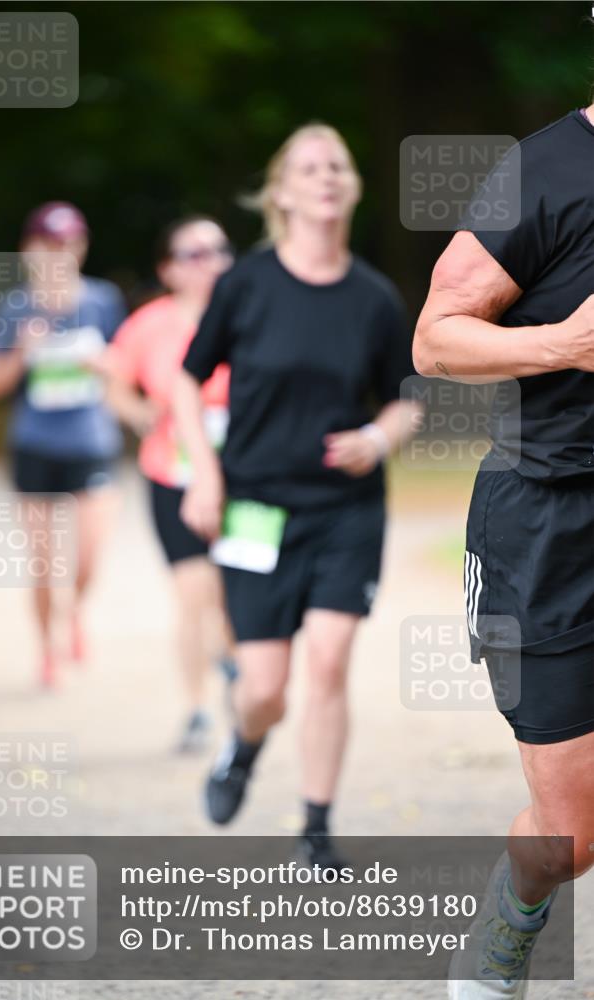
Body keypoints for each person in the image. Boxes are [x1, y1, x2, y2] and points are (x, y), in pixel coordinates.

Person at [173, 124, 420, 867]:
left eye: (337, 166)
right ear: (280, 192)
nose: (325, 177)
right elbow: (187, 378)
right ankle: (243, 745)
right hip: (254, 503)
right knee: (265, 687)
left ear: (352, 185)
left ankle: (315, 826)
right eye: (308, 168)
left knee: (329, 660)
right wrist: (206, 474)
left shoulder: (374, 298)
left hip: (346, 508)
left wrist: (376, 440)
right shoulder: (244, 283)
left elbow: (405, 398)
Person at [413, 105, 594, 997]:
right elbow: (435, 336)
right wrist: (565, 344)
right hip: (549, 526)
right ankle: (507, 925)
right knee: (570, 833)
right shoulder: (545, 170)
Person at [0, 201, 126, 688]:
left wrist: (105, 366)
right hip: (36, 446)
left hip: (92, 444)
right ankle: (46, 650)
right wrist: (22, 352)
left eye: (68, 244)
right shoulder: (15, 307)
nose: (58, 254)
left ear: (81, 248)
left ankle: (75, 611)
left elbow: (130, 366)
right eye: (48, 244)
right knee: (43, 564)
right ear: (28, 250)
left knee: (86, 557)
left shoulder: (102, 301)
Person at [106, 216, 238, 752]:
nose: (210, 262)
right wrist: (140, 414)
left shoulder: (247, 316)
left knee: (231, 594)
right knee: (192, 591)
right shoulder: (148, 325)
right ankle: (196, 709)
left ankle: (234, 667)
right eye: (194, 253)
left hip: (242, 477)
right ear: (168, 269)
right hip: (172, 473)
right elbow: (117, 386)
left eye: (219, 250)